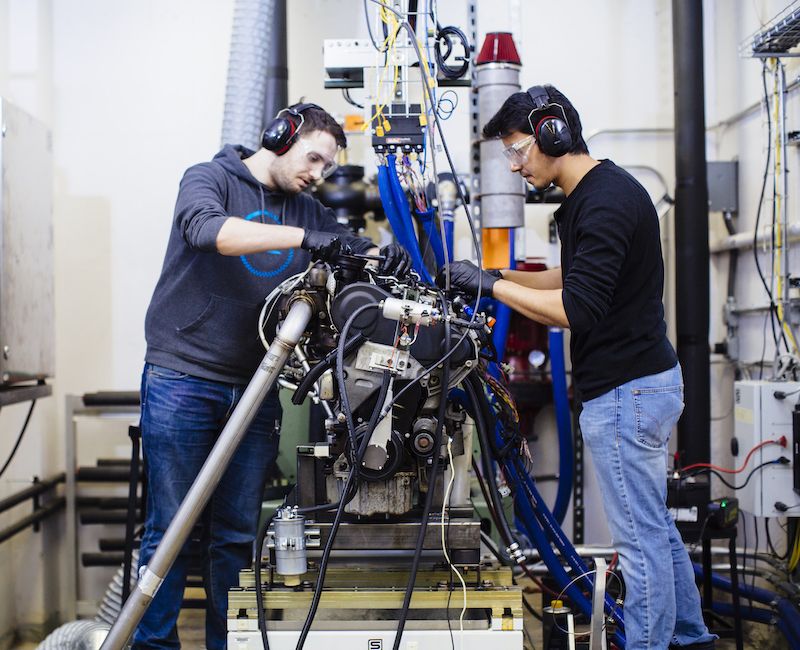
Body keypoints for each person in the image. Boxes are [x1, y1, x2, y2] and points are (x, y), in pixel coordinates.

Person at [440, 85, 716, 650]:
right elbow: (571, 277)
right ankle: (691, 638)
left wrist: (493, 288)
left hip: (626, 393)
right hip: (640, 385)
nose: (514, 166)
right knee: (655, 530)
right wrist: (496, 275)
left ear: (553, 134)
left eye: (517, 150)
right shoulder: (597, 194)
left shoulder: (605, 202)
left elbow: (575, 309)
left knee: (639, 541)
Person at [135, 102, 410, 649]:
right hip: (183, 378)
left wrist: (385, 256)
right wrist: (303, 239)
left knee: (236, 535)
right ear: (280, 137)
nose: (318, 174)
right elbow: (209, 231)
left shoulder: (306, 209)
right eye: (313, 158)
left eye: (327, 167)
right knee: (171, 530)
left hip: (255, 386)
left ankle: (229, 643)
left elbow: (350, 249)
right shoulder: (209, 179)